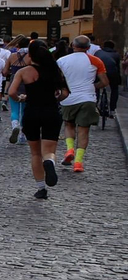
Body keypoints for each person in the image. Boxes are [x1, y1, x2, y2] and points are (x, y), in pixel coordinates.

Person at [8, 39, 66, 199]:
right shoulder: (55, 70)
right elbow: (65, 93)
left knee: (35, 153)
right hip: (51, 112)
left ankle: (41, 188)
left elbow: (11, 92)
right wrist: (55, 98)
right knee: (49, 150)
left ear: (31, 55)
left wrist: (21, 98)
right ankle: (50, 162)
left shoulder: (24, 72)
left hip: (32, 112)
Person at [55, 35, 108, 174]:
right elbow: (104, 82)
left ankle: (69, 149)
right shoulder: (96, 61)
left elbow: (57, 80)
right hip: (88, 98)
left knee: (68, 124)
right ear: (89, 47)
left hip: (69, 98)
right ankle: (78, 162)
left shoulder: (61, 61)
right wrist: (93, 86)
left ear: (72, 45)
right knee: (84, 130)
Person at [97, 40, 121, 118]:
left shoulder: (98, 53)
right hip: (112, 73)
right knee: (114, 89)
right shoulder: (116, 54)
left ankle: (95, 105)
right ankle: (112, 110)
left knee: (95, 87)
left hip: (99, 73)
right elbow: (117, 67)